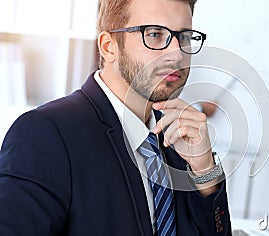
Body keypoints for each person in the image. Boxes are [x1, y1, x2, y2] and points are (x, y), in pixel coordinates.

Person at [0, 0, 232, 235]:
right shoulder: (45, 133)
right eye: (154, 34)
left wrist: (205, 171)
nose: (176, 53)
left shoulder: (179, 137)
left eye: (183, 37)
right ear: (109, 47)